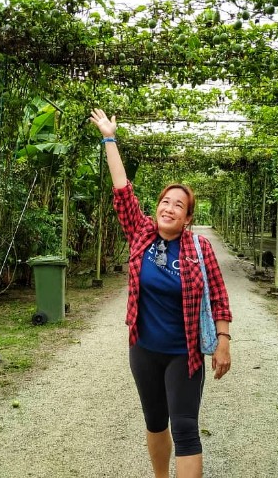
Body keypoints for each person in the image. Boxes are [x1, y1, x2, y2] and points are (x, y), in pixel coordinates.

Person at [89, 108, 233, 478]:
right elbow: (122, 190)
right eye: (165, 202)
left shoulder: (199, 248)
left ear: (188, 218)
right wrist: (109, 138)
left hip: (184, 355)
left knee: (185, 429)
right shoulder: (141, 233)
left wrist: (223, 342)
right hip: (144, 350)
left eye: (178, 205)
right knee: (155, 422)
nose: (169, 208)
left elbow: (218, 296)